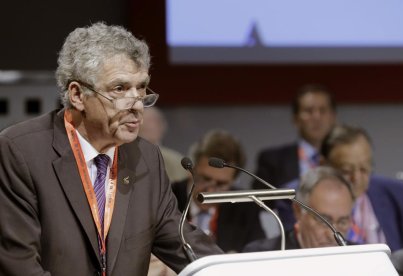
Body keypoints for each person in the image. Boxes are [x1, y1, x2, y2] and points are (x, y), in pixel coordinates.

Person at [0, 22, 222, 275]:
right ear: (77, 95)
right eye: (120, 88)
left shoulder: (146, 157)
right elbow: (19, 265)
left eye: (141, 87)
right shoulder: (21, 152)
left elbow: (184, 245)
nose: (137, 104)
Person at [277, 124, 403, 251]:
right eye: (347, 170)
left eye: (364, 169)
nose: (357, 178)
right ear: (323, 165)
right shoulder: (294, 197)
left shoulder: (395, 192)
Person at [172, 129, 265, 253]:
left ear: (233, 182)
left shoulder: (245, 206)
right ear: (191, 171)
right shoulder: (168, 197)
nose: (210, 190)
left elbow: (258, 252)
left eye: (221, 184)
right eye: (205, 179)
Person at [243, 166, 355, 252]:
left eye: (342, 222)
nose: (332, 235)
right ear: (298, 212)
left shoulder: (362, 257)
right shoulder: (261, 256)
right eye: (323, 220)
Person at [253, 84, 337, 190]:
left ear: (333, 117)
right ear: (296, 119)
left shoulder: (347, 159)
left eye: (323, 110)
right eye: (309, 111)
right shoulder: (273, 161)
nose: (316, 117)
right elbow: (259, 205)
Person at [139, 106, 188, 183]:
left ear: (162, 126)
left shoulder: (176, 160)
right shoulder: (125, 157)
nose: (151, 125)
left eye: (155, 121)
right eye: (148, 121)